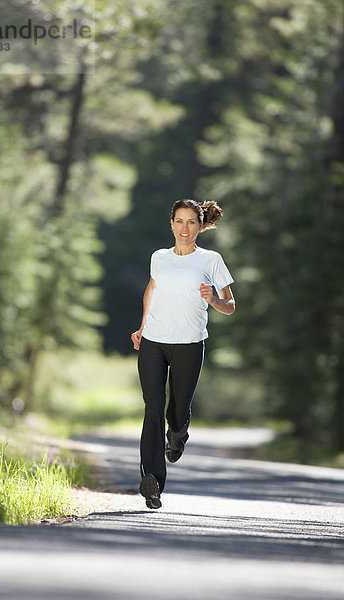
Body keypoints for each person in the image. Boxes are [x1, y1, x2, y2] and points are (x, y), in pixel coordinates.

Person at [131, 198, 235, 509]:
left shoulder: (211, 260)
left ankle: (177, 434)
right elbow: (152, 289)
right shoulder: (159, 258)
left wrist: (213, 299)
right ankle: (152, 480)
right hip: (153, 341)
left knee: (176, 412)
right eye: (179, 221)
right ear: (172, 224)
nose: (185, 228)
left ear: (200, 226)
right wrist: (141, 326)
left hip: (190, 344)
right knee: (152, 408)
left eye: (191, 222)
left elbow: (230, 306)